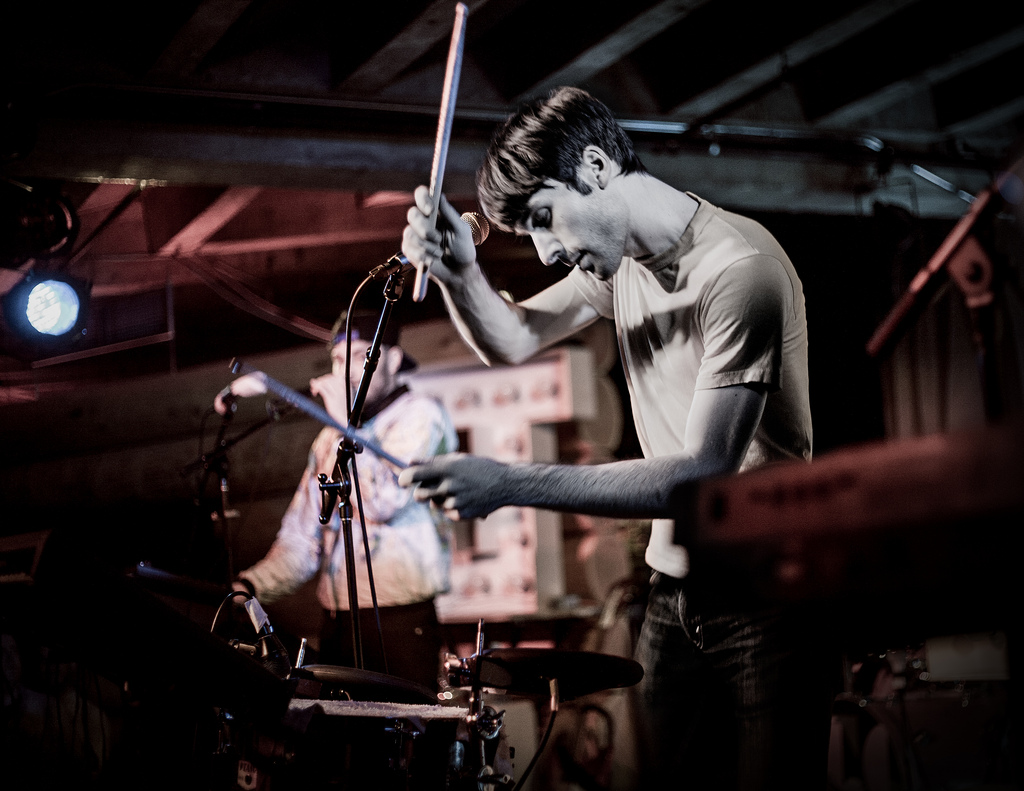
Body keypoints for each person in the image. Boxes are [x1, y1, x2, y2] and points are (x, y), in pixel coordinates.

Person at [399, 86, 835, 787]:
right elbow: (513, 337)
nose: (544, 251)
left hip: (772, 598)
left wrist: (510, 483)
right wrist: (460, 273)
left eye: (544, 219)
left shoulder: (739, 272)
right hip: (674, 595)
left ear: (596, 167)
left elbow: (698, 477)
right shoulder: (622, 265)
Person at [217, 310, 459, 692]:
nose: (346, 370)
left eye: (362, 355)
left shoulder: (421, 417)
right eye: (337, 358)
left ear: (393, 360)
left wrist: (342, 425)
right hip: (336, 622)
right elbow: (302, 539)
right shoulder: (330, 441)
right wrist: (249, 586)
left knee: (404, 742)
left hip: (398, 621)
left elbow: (382, 501)